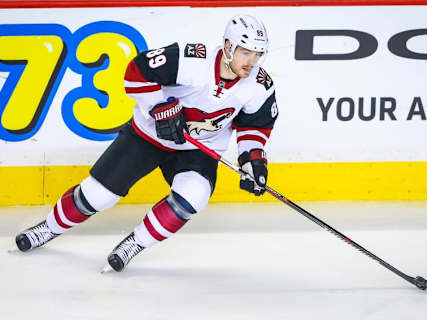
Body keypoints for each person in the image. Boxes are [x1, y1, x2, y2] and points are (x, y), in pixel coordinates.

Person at [14, 14, 278, 272]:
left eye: (258, 54)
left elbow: (254, 126)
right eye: (246, 52)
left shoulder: (259, 85)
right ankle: (49, 227)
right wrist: (160, 107)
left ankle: (135, 244)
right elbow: (136, 71)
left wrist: (252, 161)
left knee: (193, 196)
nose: (252, 61)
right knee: (97, 195)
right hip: (147, 137)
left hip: (196, 149)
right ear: (229, 47)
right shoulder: (191, 59)